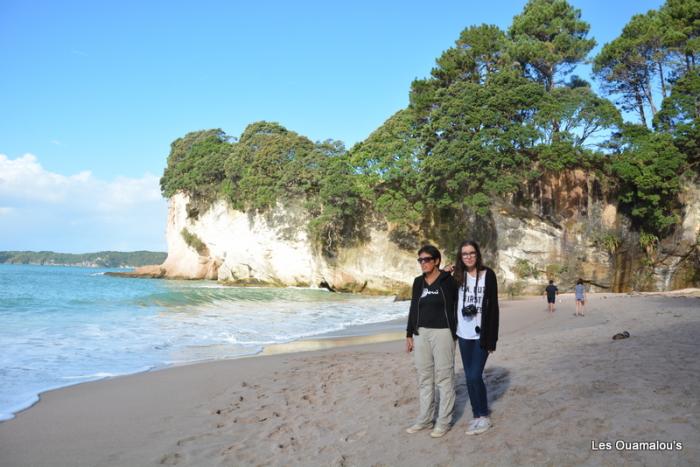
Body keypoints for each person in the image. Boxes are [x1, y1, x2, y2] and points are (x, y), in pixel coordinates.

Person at [405, 245, 458, 438]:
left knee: (444, 377)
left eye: (427, 259)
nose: (423, 263)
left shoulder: (448, 281)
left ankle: (443, 422)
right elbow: (413, 307)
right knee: (424, 377)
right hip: (421, 333)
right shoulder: (418, 282)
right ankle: (425, 419)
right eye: (420, 260)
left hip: (443, 332)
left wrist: (449, 271)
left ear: (436, 261)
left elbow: (466, 273)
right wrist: (409, 334)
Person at [454, 240, 499, 435]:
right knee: (469, 377)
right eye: (464, 254)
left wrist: (492, 339)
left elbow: (494, 308)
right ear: (460, 257)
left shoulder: (488, 274)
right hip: (463, 334)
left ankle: (483, 415)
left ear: (477, 254)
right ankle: (476, 415)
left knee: (474, 375)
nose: (469, 256)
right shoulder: (456, 276)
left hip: (482, 334)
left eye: (472, 253)